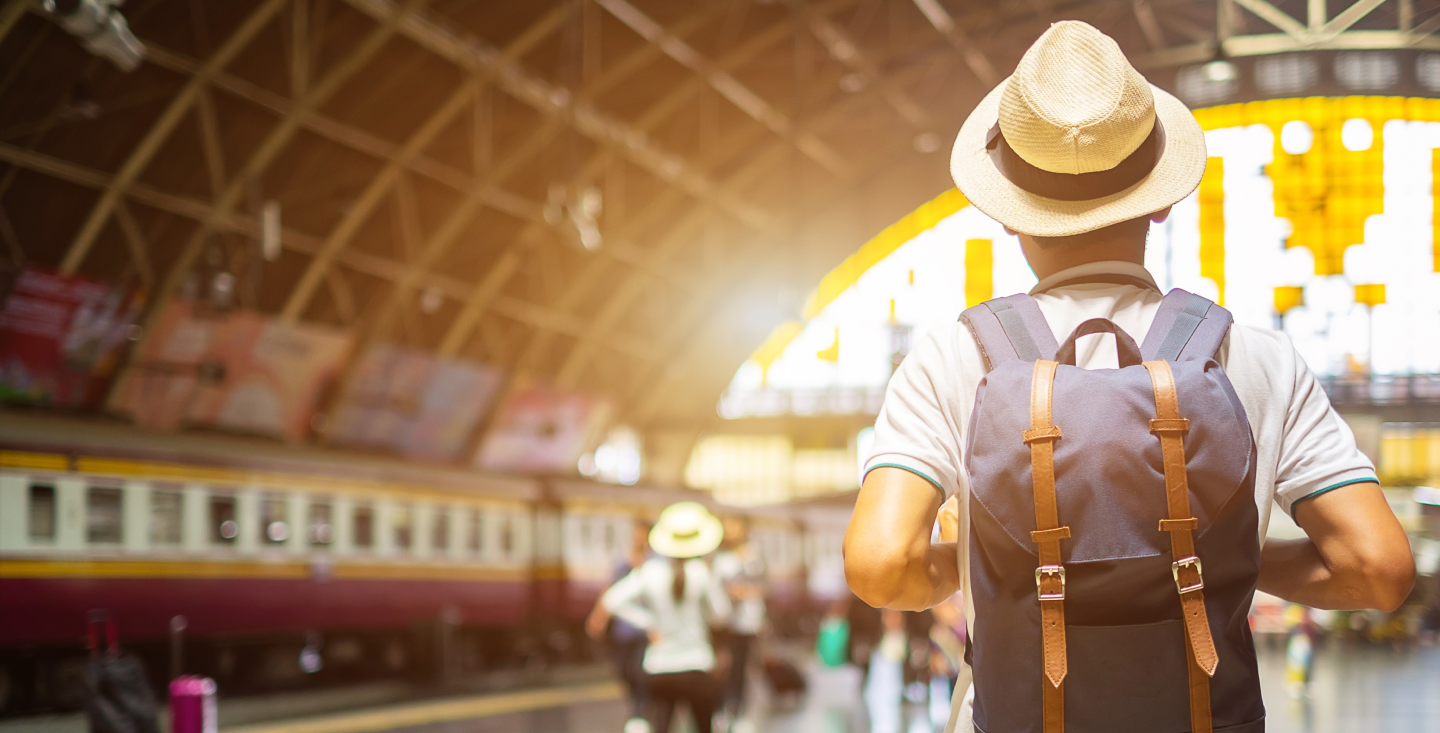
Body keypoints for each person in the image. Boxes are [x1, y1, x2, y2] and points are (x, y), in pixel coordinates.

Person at [843, 20, 1415, 733]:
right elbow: (1379, 568)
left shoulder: (953, 356)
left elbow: (878, 564)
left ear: (1010, 214)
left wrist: (976, 563)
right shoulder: (1258, 358)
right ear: (1163, 199)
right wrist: (1224, 557)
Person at [604, 502, 731, 733]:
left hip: (660, 666)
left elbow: (612, 600)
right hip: (697, 663)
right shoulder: (702, 572)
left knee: (661, 727)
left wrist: (648, 624)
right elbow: (721, 614)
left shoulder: (650, 571)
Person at [587, 523, 653, 733]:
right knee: (624, 671)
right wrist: (599, 617)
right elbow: (611, 591)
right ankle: (638, 709)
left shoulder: (655, 564)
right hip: (623, 631)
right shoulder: (622, 562)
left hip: (646, 631)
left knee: (639, 671)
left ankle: (640, 714)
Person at [711, 517, 766, 731]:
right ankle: (722, 708)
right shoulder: (719, 556)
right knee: (724, 668)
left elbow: (764, 585)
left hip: (747, 622)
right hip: (724, 621)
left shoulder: (754, 554)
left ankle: (739, 710)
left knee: (742, 668)